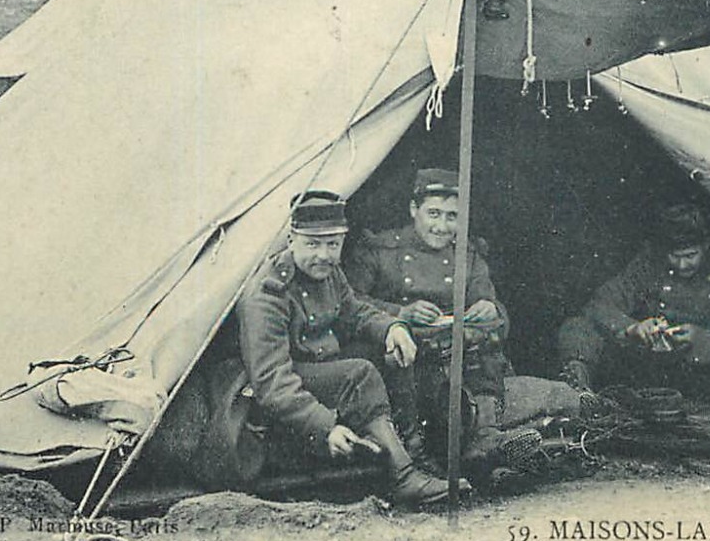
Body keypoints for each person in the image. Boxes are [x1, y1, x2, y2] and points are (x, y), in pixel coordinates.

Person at [235, 190, 458, 507]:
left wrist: (392, 328)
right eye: (313, 243)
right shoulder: (268, 295)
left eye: (333, 244)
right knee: (360, 372)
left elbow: (355, 312)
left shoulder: (328, 273)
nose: (324, 254)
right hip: (284, 396)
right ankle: (404, 477)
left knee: (392, 353)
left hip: (324, 372)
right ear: (290, 239)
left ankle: (414, 456)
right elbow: (272, 384)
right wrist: (324, 426)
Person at [346, 169, 551, 471]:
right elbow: (349, 303)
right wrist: (400, 313)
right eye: (434, 214)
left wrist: (489, 308)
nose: (442, 226)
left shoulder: (467, 256)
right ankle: (417, 455)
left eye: (452, 217)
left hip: (460, 364)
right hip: (406, 365)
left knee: (485, 350)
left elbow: (497, 313)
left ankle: (485, 440)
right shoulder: (380, 250)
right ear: (414, 209)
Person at [556, 203, 710, 399]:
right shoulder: (648, 266)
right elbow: (599, 305)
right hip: (646, 365)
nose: (682, 265)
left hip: (699, 372)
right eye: (674, 256)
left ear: (706, 246)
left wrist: (700, 341)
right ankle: (579, 390)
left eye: (691, 255)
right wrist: (632, 329)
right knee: (577, 327)